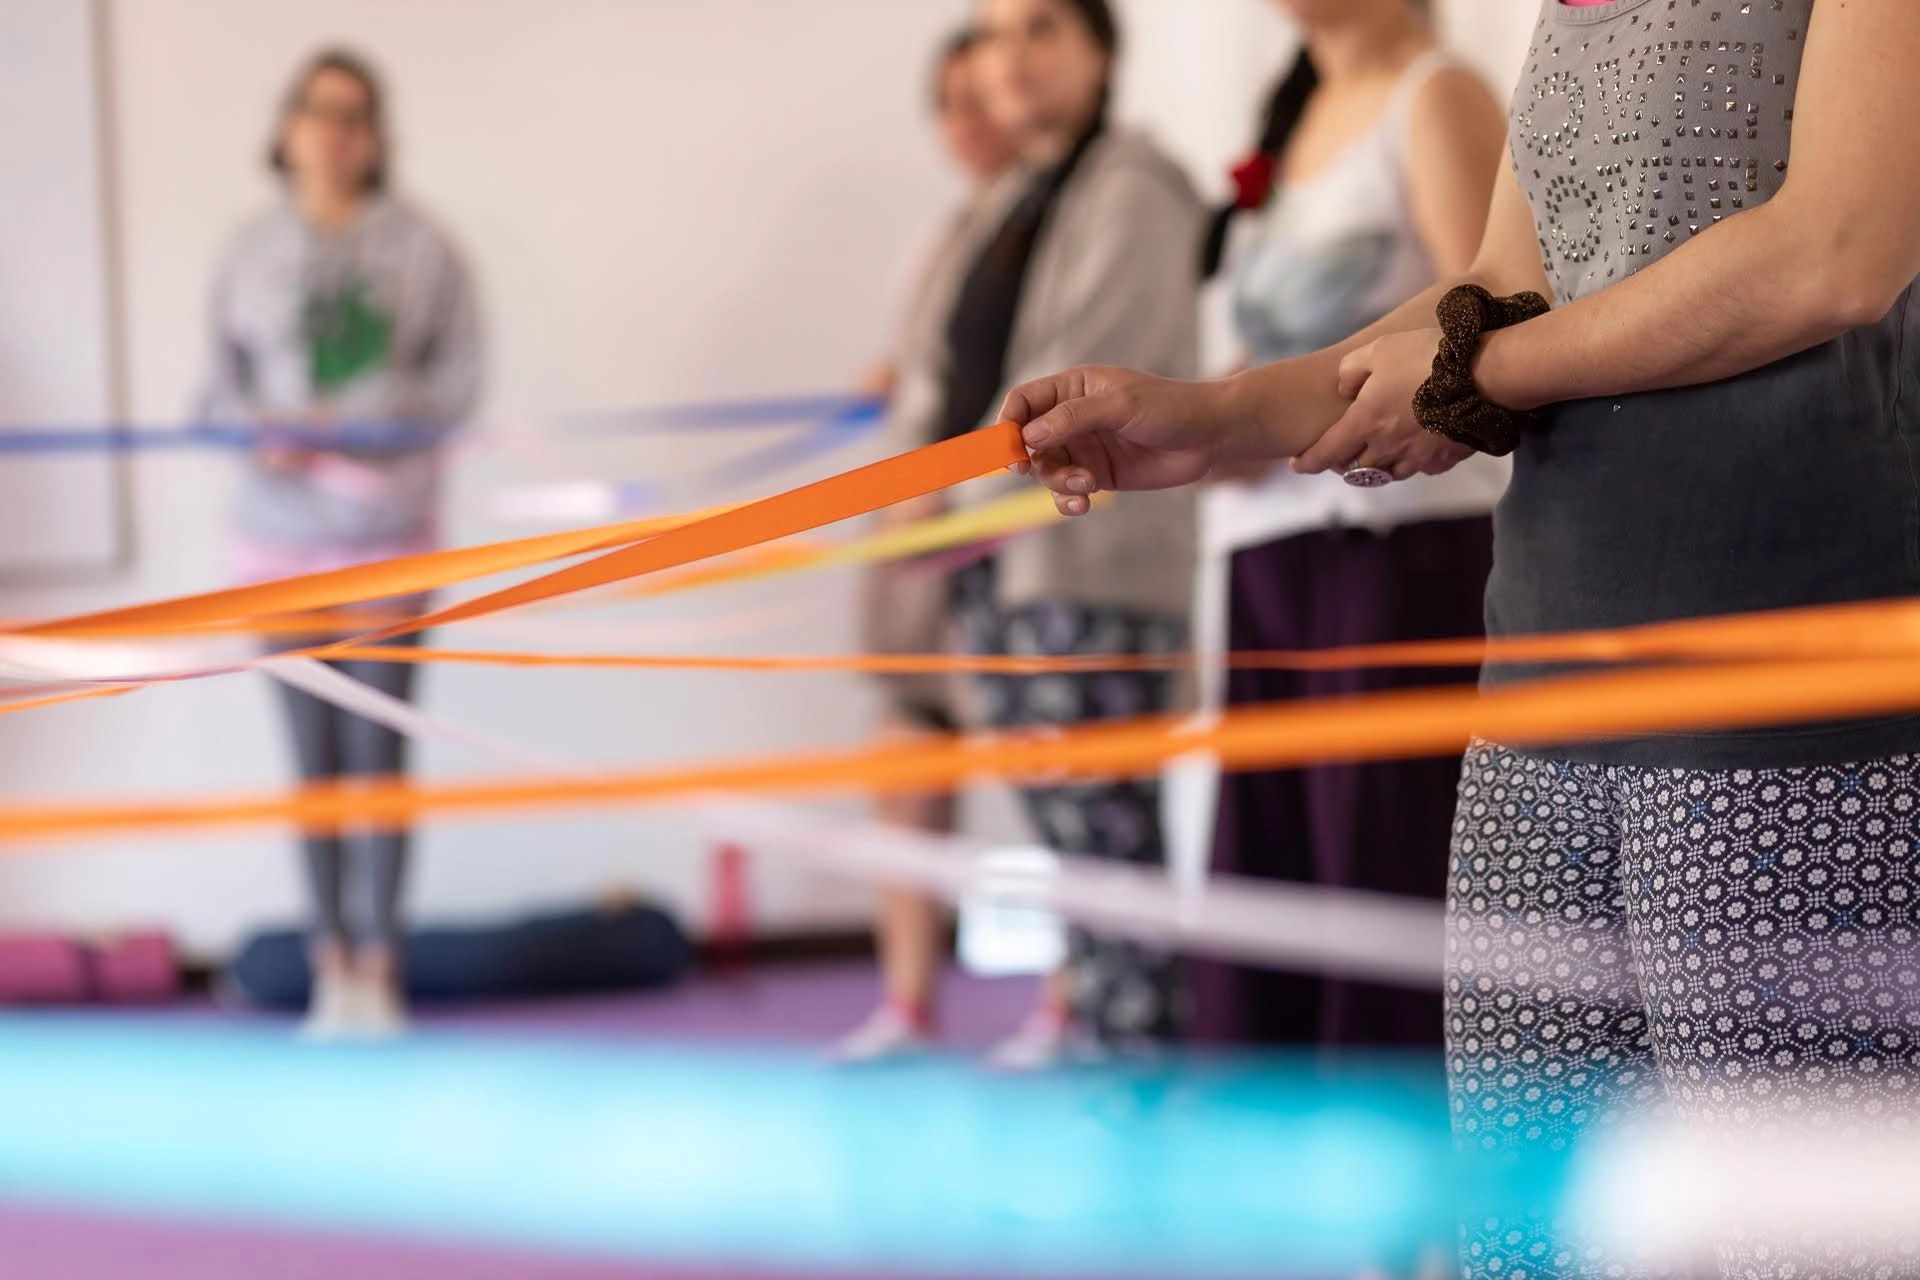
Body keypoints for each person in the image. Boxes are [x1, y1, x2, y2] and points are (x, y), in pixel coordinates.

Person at [1003, 0, 1920, 1274]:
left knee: (1800, 1239)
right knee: (1530, 1225)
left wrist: (1487, 375)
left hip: (1781, 679)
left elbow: (1836, 254)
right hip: (1541, 675)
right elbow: (1500, 288)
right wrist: (1218, 417)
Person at [837, 0, 1204, 1070]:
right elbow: (929, 375)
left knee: (1102, 837)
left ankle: (1133, 1073)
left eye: (1045, 28)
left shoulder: (1133, 187)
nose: (1016, 56)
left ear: (1101, 51)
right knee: (1064, 836)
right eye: (998, 34)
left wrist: (934, 492)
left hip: (1084, 559)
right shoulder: (1003, 203)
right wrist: (916, 494)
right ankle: (1103, 1051)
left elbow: (1077, 383)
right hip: (993, 557)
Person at [1192, 0, 1508, 1055]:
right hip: (1271, 552)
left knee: (1381, 871)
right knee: (1276, 878)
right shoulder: (1295, 117)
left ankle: (1395, 1191)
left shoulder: (1438, 94)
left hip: (1392, 547)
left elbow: (1494, 318)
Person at [200, 48, 482, 1040]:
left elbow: (455, 386)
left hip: (389, 539)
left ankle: (382, 964)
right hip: (277, 548)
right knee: (313, 769)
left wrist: (354, 418)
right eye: (320, 113)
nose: (337, 132)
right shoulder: (246, 252)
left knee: (380, 763)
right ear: (287, 131)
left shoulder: (425, 248)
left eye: (357, 115)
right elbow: (213, 392)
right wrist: (262, 429)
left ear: (377, 136)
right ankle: (330, 968)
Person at [833, 30, 1020, 1063]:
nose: (968, 118)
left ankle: (1069, 993)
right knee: (904, 748)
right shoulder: (948, 233)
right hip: (915, 528)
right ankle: (907, 999)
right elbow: (928, 368)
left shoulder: (1046, 217)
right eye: (949, 101)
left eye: (980, 95)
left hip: (990, 523)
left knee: (1046, 762)